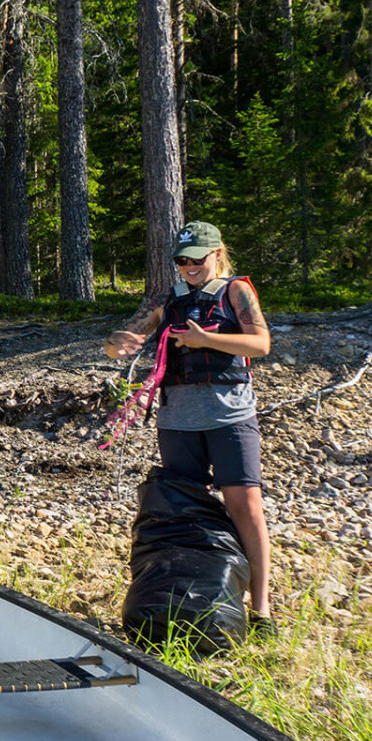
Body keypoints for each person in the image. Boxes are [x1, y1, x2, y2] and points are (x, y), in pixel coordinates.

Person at [104, 221, 275, 639]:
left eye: (197, 258)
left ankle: (262, 609)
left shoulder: (236, 291)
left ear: (217, 253)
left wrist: (207, 341)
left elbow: (261, 344)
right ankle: (189, 599)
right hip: (177, 420)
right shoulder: (168, 299)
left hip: (230, 415)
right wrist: (116, 344)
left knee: (244, 504)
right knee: (184, 509)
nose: (190, 266)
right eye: (182, 260)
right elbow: (123, 339)